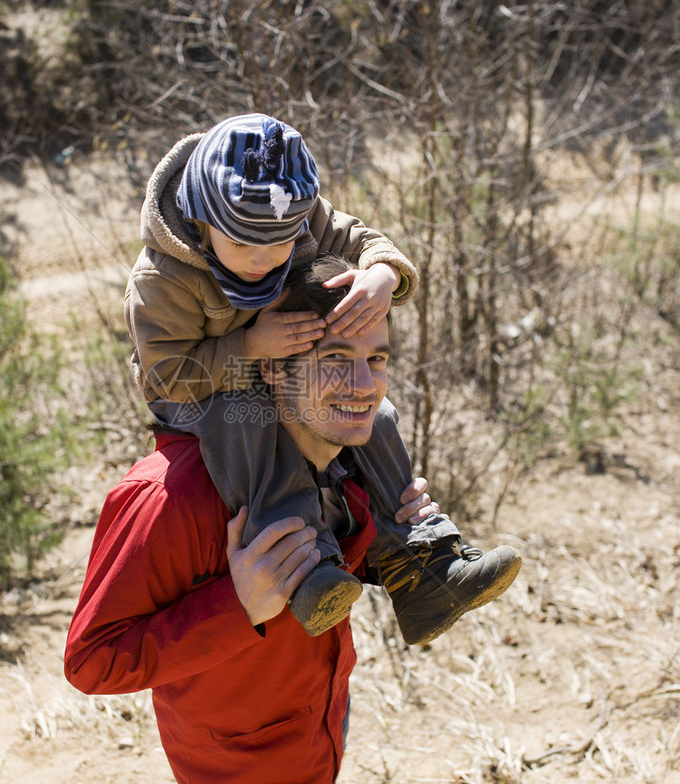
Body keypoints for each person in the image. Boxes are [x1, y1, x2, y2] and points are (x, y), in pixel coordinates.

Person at [66, 254, 520, 784]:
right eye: (333, 357)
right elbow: (91, 660)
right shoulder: (174, 496)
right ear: (270, 366)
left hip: (323, 729)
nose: (363, 384)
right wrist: (237, 607)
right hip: (234, 767)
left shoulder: (347, 459)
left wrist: (391, 543)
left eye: (376, 359)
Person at [124, 112, 520, 642]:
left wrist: (383, 271)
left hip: (284, 366)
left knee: (373, 414)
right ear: (201, 219)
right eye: (243, 246)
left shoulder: (292, 211)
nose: (264, 261)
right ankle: (306, 563)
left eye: (279, 246)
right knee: (248, 417)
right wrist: (248, 345)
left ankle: (422, 561)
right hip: (197, 387)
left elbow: (358, 237)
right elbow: (166, 374)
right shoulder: (163, 276)